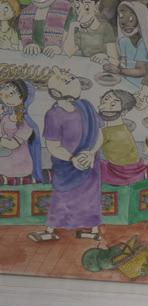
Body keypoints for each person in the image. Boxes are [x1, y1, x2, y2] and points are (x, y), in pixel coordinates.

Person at [29, 70, 101, 243]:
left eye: (73, 78)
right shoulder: (53, 114)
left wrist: (90, 153)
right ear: (56, 92)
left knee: (90, 196)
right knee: (61, 197)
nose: (75, 82)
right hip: (66, 165)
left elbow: (100, 134)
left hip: (89, 161)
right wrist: (72, 159)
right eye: (69, 81)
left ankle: (93, 229)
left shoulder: (87, 106)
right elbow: (53, 146)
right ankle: (50, 230)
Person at [0, 80, 42, 186]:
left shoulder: (26, 123)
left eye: (12, 93)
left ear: (22, 98)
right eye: (6, 88)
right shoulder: (5, 116)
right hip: (4, 159)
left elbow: (13, 144)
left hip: (18, 165)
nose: (6, 93)